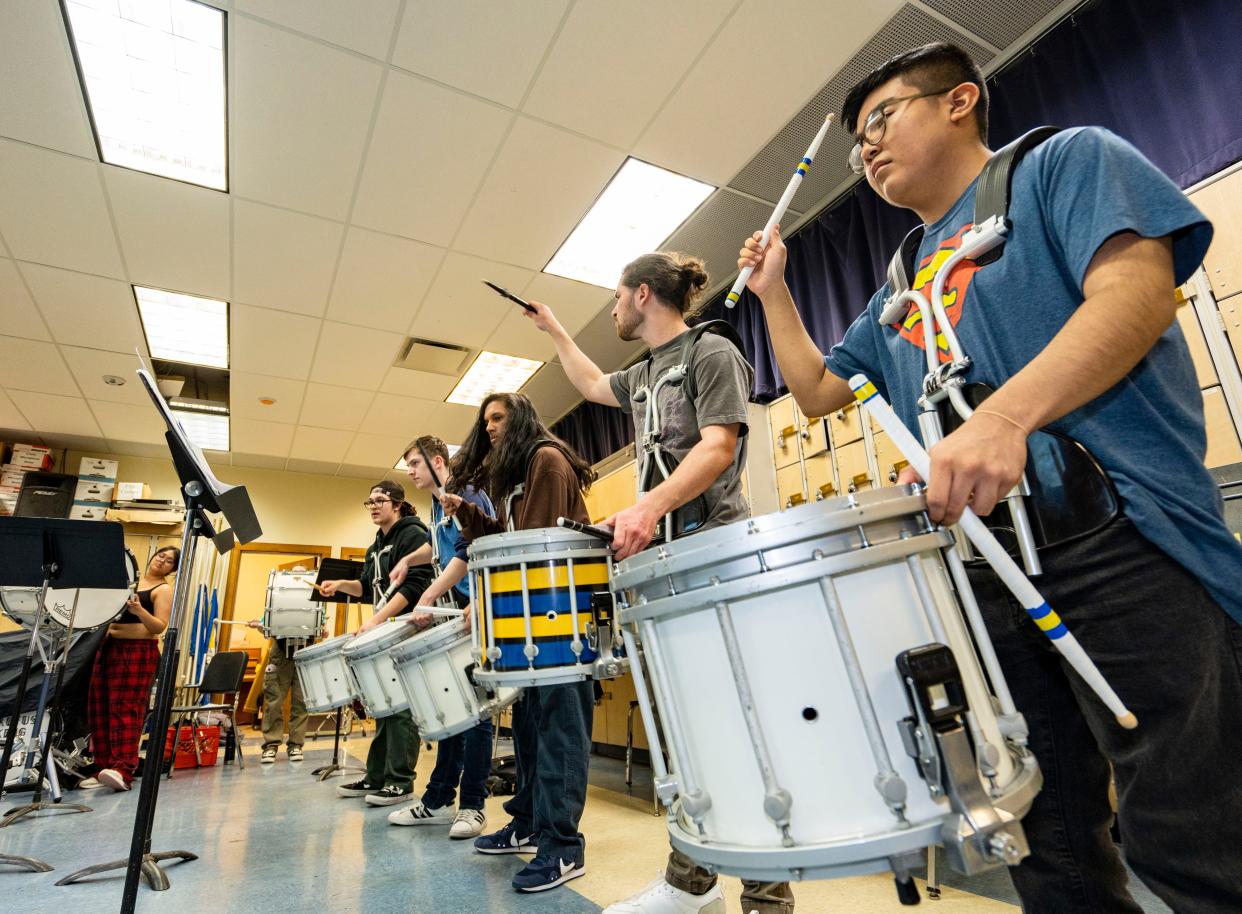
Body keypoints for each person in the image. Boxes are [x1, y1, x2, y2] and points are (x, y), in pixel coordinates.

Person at [738, 41, 1242, 914]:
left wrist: (1005, 418)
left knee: (1189, 826)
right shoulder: (899, 277)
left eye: (882, 120)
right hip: (985, 574)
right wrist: (776, 289)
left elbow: (1135, 294)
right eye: (858, 143)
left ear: (961, 100)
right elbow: (819, 391)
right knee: (1045, 837)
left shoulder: (1066, 162)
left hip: (1120, 539)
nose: (868, 151)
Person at [522, 254, 776, 914]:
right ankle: (691, 877)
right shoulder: (642, 373)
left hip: (712, 552)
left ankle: (767, 895)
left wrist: (647, 506)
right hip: (664, 566)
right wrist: (554, 330)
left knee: (734, 725)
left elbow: (719, 445)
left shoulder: (709, 352)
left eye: (616, 297)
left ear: (643, 295)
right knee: (679, 731)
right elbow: (590, 381)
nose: (612, 310)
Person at [439, 392, 596, 894]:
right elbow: (508, 535)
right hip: (532, 622)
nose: (488, 427)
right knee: (530, 731)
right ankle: (528, 822)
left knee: (559, 734)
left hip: (558, 622)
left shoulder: (546, 462)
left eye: (498, 418)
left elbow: (531, 544)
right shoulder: (521, 475)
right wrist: (466, 511)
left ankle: (564, 848)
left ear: (523, 419)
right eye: (485, 420)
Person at [383, 435, 496, 840]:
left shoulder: (467, 491)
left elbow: (470, 551)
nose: (410, 471)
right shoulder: (438, 501)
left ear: (436, 460)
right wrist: (407, 561)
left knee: (476, 712)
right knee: (450, 707)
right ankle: (437, 799)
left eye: (414, 463)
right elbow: (441, 545)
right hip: (457, 612)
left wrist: (428, 595)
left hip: (480, 610)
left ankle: (474, 806)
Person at [319, 481, 433, 808]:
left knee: (400, 710)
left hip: (406, 630)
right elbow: (368, 587)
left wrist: (377, 621)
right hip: (384, 631)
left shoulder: (412, 534)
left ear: (397, 503)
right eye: (369, 501)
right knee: (384, 706)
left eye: (379, 500)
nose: (373, 506)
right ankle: (376, 776)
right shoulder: (375, 546)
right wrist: (341, 584)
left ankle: (400, 781)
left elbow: (414, 586)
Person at [80, 546, 178, 792]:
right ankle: (103, 766)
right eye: (161, 555)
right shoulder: (130, 582)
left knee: (126, 710)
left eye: (169, 561)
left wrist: (139, 611)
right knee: (99, 706)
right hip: (107, 647)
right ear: (153, 555)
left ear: (172, 569)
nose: (162, 561)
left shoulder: (163, 589)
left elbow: (157, 627)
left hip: (136, 653)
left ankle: (123, 770)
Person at [249, 565, 318, 764]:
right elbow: (267, 627)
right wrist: (259, 626)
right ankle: (271, 745)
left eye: (302, 573)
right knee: (273, 701)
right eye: (294, 573)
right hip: (280, 652)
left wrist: (322, 631)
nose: (298, 576)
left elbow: (321, 627)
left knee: (301, 702)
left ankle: (296, 745)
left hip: (305, 653)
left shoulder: (314, 600)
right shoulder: (277, 599)